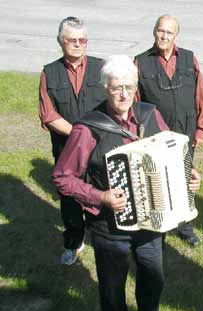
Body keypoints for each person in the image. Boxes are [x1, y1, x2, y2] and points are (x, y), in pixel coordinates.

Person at [53, 55, 202, 311]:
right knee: (112, 293)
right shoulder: (88, 129)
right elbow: (63, 177)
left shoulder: (150, 114)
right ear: (104, 88)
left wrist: (188, 175)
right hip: (110, 229)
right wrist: (100, 196)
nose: (124, 94)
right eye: (117, 88)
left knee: (153, 284)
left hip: (152, 224)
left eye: (130, 87)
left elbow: (173, 153)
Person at [135, 14, 203, 247]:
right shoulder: (141, 61)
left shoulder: (189, 58)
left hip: (186, 133)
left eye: (169, 32)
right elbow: (135, 101)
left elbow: (201, 95)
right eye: (161, 31)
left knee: (186, 179)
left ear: (176, 35)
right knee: (158, 181)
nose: (164, 36)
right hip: (155, 135)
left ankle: (186, 227)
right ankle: (160, 223)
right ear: (154, 32)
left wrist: (201, 130)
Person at [39, 16, 106, 265]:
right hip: (66, 151)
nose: (78, 44)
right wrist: (78, 135)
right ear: (61, 41)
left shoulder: (101, 68)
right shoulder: (50, 73)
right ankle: (73, 242)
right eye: (72, 40)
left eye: (83, 40)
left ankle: (102, 242)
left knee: (98, 196)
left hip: (98, 151)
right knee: (69, 202)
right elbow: (48, 114)